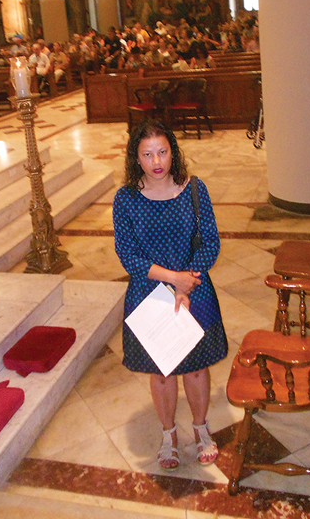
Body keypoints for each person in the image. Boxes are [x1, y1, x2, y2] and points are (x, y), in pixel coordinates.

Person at [112, 121, 227, 470]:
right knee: (162, 371)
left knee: (194, 368)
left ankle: (201, 428)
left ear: (172, 152)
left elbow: (210, 241)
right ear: (136, 158)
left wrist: (185, 281)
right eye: (147, 154)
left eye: (162, 151)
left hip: (194, 290)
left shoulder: (194, 189)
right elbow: (128, 255)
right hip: (150, 293)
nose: (156, 160)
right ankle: (168, 434)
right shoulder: (126, 199)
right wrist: (173, 279)